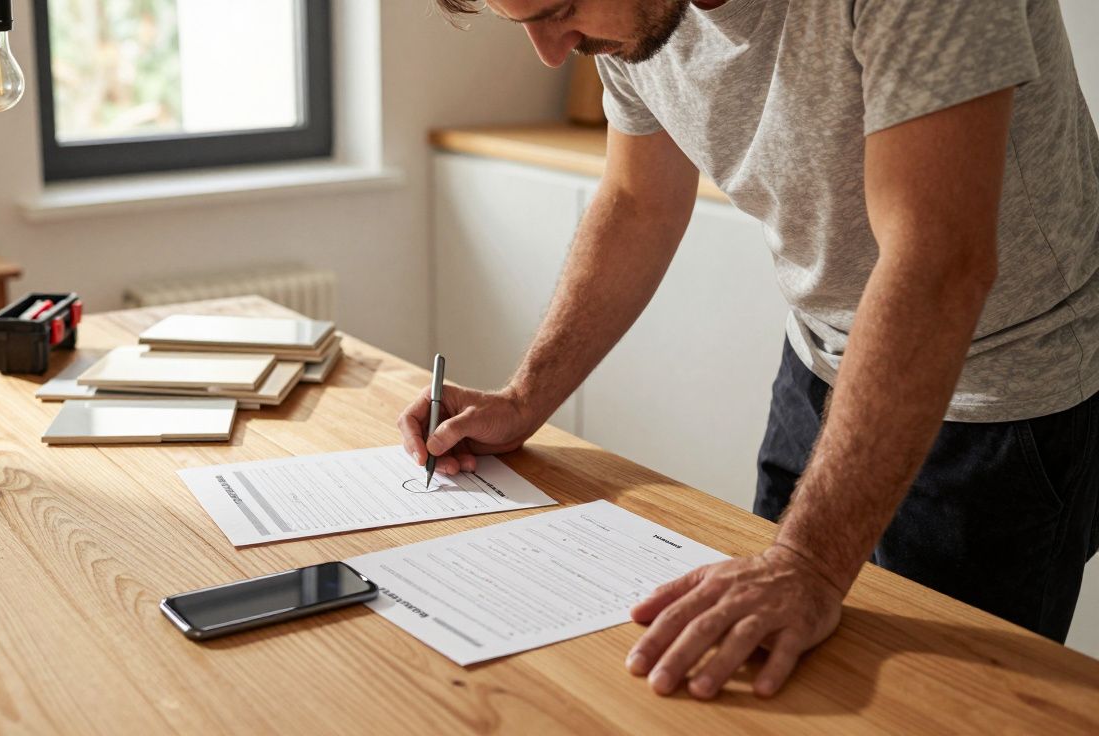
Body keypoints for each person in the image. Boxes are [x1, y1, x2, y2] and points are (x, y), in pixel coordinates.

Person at [399, 0, 1099, 700]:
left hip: (1005, 394)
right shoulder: (632, 21)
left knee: (931, 709)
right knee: (769, 672)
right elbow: (640, 199)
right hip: (819, 360)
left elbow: (937, 263)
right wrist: (524, 401)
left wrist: (809, 563)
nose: (550, 52)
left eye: (557, 8)